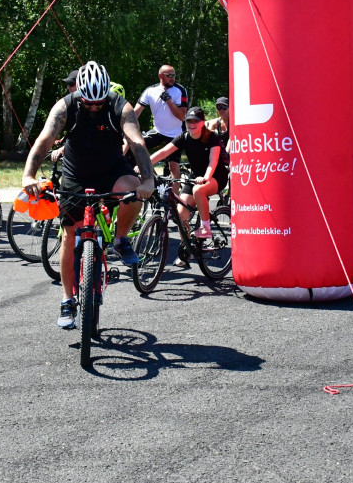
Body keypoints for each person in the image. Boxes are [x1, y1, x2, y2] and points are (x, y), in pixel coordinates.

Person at [21, 61, 153, 329]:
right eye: (88, 102)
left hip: (111, 169)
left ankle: (121, 238)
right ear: (80, 94)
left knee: (133, 190)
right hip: (76, 173)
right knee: (70, 234)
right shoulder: (65, 106)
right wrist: (28, 176)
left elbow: (137, 141)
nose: (93, 106)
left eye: (99, 102)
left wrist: (148, 179)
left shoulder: (120, 106)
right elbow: (44, 139)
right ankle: (67, 300)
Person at [150, 106, 229, 268]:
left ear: (202, 123)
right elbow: (163, 152)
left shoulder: (211, 137)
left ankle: (206, 227)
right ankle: (188, 250)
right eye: (188, 121)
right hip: (196, 178)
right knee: (181, 215)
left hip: (215, 176)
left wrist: (206, 178)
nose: (191, 124)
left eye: (195, 121)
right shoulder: (184, 137)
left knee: (198, 190)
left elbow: (213, 162)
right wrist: (144, 164)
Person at [134, 64, 188, 178]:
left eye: (174, 75)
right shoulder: (150, 91)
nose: (172, 78)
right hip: (158, 131)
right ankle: (154, 178)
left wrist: (168, 100)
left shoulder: (180, 90)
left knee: (173, 166)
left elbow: (182, 116)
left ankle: (174, 195)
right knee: (136, 147)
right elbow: (135, 113)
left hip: (176, 134)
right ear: (160, 76)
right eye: (169, 75)